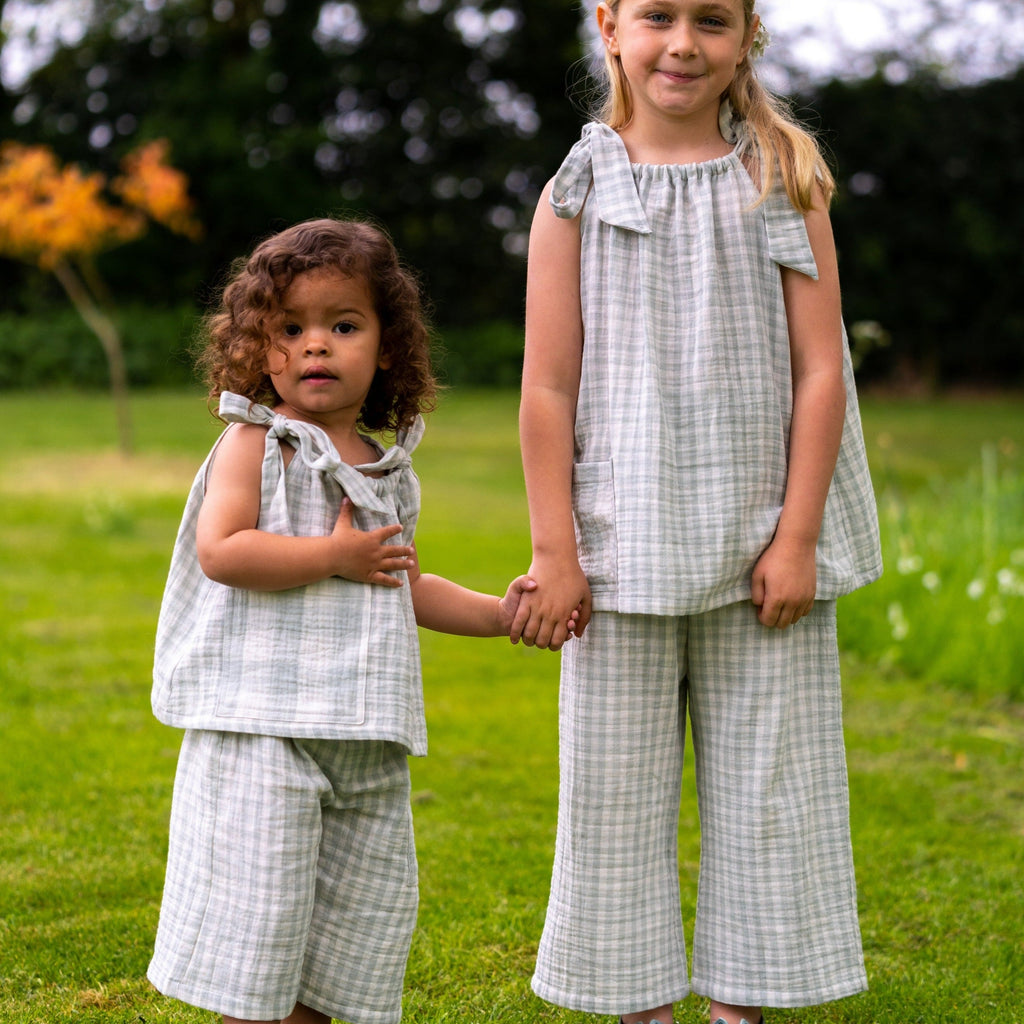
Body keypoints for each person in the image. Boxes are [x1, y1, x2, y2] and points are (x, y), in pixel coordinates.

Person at [513, 2, 883, 1024]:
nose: (683, 42)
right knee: (613, 798)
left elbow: (822, 373)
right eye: (658, 16)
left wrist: (797, 536)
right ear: (610, 27)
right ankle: (636, 1006)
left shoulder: (782, 184)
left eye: (711, 19)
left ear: (745, 39)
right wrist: (558, 552)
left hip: (758, 543)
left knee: (771, 790)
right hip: (616, 546)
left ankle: (741, 1007)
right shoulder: (573, 193)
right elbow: (546, 386)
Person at [148, 217, 560, 1024]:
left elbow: (398, 582)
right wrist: (328, 557)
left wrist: (497, 614)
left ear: (386, 347)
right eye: (290, 329)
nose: (315, 347)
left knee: (346, 936)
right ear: (257, 348)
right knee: (260, 935)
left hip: (362, 734)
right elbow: (224, 550)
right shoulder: (255, 445)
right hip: (262, 727)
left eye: (342, 326)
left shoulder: (388, 469)